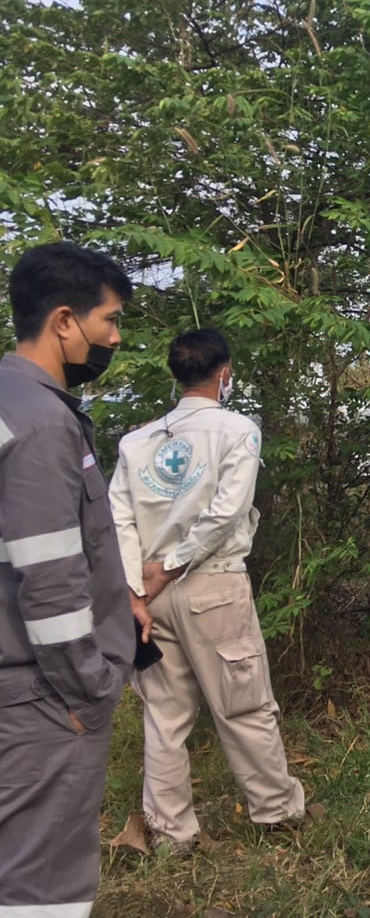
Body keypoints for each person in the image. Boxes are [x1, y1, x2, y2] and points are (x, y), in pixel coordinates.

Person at [109, 328, 309, 850]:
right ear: (225, 373)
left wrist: (136, 588)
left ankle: (170, 831)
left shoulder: (135, 443)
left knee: (164, 715)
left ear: (175, 374)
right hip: (213, 584)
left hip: (149, 595)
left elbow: (118, 519)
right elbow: (226, 512)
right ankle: (277, 811)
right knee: (244, 703)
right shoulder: (238, 430)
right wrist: (171, 567)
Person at [0, 240, 134, 915]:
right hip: (40, 696)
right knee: (40, 886)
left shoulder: (9, 402)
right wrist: (89, 690)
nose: (115, 337)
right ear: (62, 321)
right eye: (109, 320)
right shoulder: (44, 422)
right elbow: (50, 577)